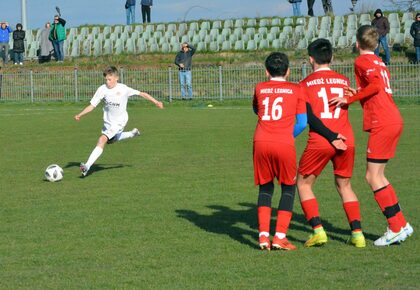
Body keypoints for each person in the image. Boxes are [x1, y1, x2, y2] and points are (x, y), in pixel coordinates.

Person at [329, 25, 413, 246]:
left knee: (372, 177)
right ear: (376, 44)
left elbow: (375, 86)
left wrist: (349, 99)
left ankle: (395, 227)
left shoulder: (361, 61)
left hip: (382, 121)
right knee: (379, 176)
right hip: (392, 117)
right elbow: (378, 87)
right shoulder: (379, 61)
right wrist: (357, 92)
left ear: (357, 43)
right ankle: (401, 223)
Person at [297, 39, 366, 248]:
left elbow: (309, 117)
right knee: (344, 185)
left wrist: (329, 136)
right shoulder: (344, 81)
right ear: (332, 58)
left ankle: (318, 231)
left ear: (310, 59)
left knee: (303, 183)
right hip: (347, 139)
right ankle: (358, 235)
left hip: (322, 140)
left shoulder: (304, 84)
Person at [253, 52, 307, 251]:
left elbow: (257, 110)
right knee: (288, 187)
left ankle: (263, 237)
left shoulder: (259, 88)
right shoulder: (297, 89)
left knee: (265, 188)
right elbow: (302, 123)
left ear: (266, 71)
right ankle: (280, 237)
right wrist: (286, 135)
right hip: (283, 142)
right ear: (288, 71)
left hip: (260, 141)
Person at [74, 66, 164, 177]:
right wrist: (80, 115)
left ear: (116, 78)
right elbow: (92, 106)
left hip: (120, 121)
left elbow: (142, 93)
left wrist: (156, 102)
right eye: (106, 79)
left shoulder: (124, 89)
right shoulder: (102, 89)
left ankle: (86, 166)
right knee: (111, 140)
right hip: (108, 121)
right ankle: (132, 133)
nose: (108, 82)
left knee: (102, 139)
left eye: (110, 79)